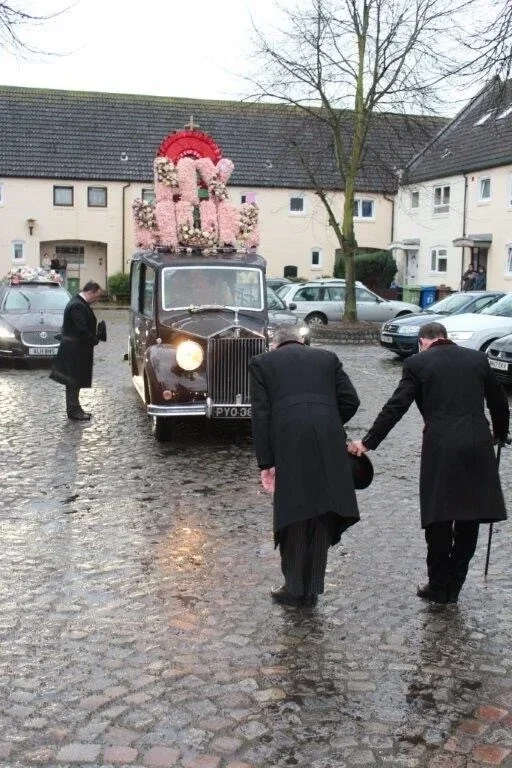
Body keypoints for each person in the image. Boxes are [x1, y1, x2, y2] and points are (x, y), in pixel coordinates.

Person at [349, 321, 509, 604]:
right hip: (477, 442)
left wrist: (368, 442)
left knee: (439, 515)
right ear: (445, 338)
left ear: (423, 341)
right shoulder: (477, 358)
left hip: (441, 445)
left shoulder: (417, 363)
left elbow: (396, 406)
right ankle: (454, 584)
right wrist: (500, 433)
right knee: (469, 516)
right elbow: (499, 401)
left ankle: (437, 584)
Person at [249, 324, 361, 606]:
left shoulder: (263, 362)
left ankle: (294, 587)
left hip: (289, 439)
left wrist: (267, 462)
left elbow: (260, 415)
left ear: (274, 345)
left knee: (294, 510)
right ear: (301, 341)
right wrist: (328, 422)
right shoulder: (327, 358)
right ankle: (312, 586)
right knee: (323, 507)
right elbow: (351, 399)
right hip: (328, 437)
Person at [50, 281, 104, 421]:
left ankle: (76, 408)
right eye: (96, 296)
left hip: (76, 349)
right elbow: (81, 329)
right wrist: (94, 339)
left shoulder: (79, 303)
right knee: (73, 381)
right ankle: (73, 411)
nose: (96, 300)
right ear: (90, 292)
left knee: (76, 380)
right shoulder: (77, 306)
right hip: (74, 350)